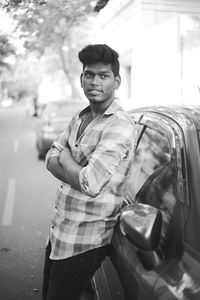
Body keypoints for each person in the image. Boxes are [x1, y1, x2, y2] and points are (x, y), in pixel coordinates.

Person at [42, 43, 137, 300]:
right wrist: (65, 162)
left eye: (103, 75)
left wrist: (66, 158)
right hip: (60, 231)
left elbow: (90, 183)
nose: (95, 81)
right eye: (89, 74)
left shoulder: (119, 126)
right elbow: (50, 157)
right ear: (82, 78)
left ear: (116, 81)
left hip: (85, 240)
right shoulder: (81, 116)